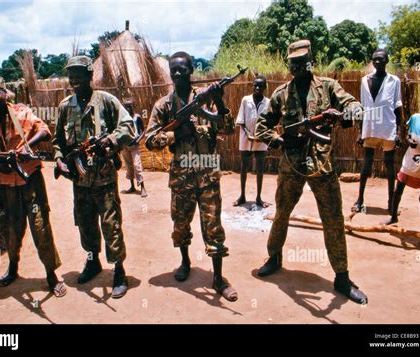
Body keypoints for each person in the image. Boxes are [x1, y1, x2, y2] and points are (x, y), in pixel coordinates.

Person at [255, 40, 368, 304]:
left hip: (322, 164)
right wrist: (280, 140)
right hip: (291, 165)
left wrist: (349, 114)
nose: (295, 67)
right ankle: (274, 257)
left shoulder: (328, 87)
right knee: (282, 213)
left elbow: (352, 104)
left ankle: (341, 276)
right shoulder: (281, 94)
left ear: (310, 62)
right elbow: (262, 125)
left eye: (300, 62)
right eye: (291, 63)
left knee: (333, 220)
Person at [145, 51, 238, 301]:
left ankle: (218, 279)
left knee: (214, 227)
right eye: (173, 70)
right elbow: (150, 140)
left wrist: (219, 102)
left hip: (207, 175)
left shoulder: (206, 99)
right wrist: (177, 134)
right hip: (181, 177)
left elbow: (228, 128)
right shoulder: (164, 105)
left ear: (191, 70)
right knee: (181, 225)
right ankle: (185, 263)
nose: (177, 74)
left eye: (182, 69)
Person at [52, 56, 136, 299]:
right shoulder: (65, 106)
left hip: (105, 179)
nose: (74, 79)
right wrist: (59, 159)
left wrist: (110, 140)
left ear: (90, 75)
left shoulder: (106, 101)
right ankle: (93, 261)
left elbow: (129, 127)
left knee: (111, 225)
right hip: (80, 181)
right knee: (85, 224)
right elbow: (58, 140)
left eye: (79, 74)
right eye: (71, 75)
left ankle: (119, 270)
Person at [0, 77, 66, 297]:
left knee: (40, 225)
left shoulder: (23, 113)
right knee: (9, 228)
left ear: (4, 93)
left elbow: (45, 131)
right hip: (6, 185)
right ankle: (13, 267)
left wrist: (27, 147)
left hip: (30, 181)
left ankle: (51, 275)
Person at [382, 93, 420, 248]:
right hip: (410, 163)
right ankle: (393, 216)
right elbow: (408, 135)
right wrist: (409, 141)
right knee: (398, 189)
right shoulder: (416, 118)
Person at [353, 49, 403, 213]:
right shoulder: (364, 80)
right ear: (372, 61)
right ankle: (360, 200)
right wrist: (360, 130)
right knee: (366, 164)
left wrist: (398, 132)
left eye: (381, 59)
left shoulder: (394, 81)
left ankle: (391, 201)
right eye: (375, 59)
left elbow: (397, 107)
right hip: (370, 125)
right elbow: (362, 106)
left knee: (389, 164)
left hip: (388, 126)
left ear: (387, 60)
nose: (378, 62)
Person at [234, 75, 270, 208]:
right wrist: (248, 134)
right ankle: (242, 195)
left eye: (261, 86)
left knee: (260, 169)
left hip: (261, 140)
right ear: (252, 86)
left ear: (265, 87)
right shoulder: (245, 100)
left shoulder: (268, 102)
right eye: (255, 85)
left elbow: (269, 122)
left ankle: (258, 198)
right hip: (245, 138)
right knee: (244, 168)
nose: (258, 88)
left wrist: (263, 135)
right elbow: (241, 120)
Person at [120, 97, 148, 197]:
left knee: (137, 165)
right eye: (126, 107)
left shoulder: (137, 117)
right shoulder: (122, 118)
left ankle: (142, 187)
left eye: (130, 107)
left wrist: (138, 140)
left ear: (134, 107)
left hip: (134, 145)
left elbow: (143, 131)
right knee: (129, 166)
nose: (128, 109)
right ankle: (132, 186)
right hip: (125, 146)